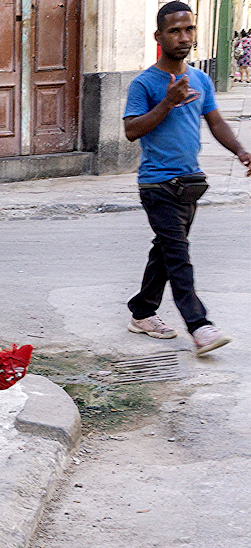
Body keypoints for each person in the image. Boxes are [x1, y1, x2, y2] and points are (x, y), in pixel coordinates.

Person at [123, 1, 246, 355]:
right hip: (157, 184)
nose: (184, 37)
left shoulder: (201, 79)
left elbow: (217, 122)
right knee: (178, 254)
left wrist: (240, 150)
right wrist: (166, 103)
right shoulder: (144, 83)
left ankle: (142, 312)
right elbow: (132, 130)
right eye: (175, 30)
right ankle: (199, 325)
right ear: (159, 36)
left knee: (165, 250)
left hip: (190, 182)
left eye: (189, 29)